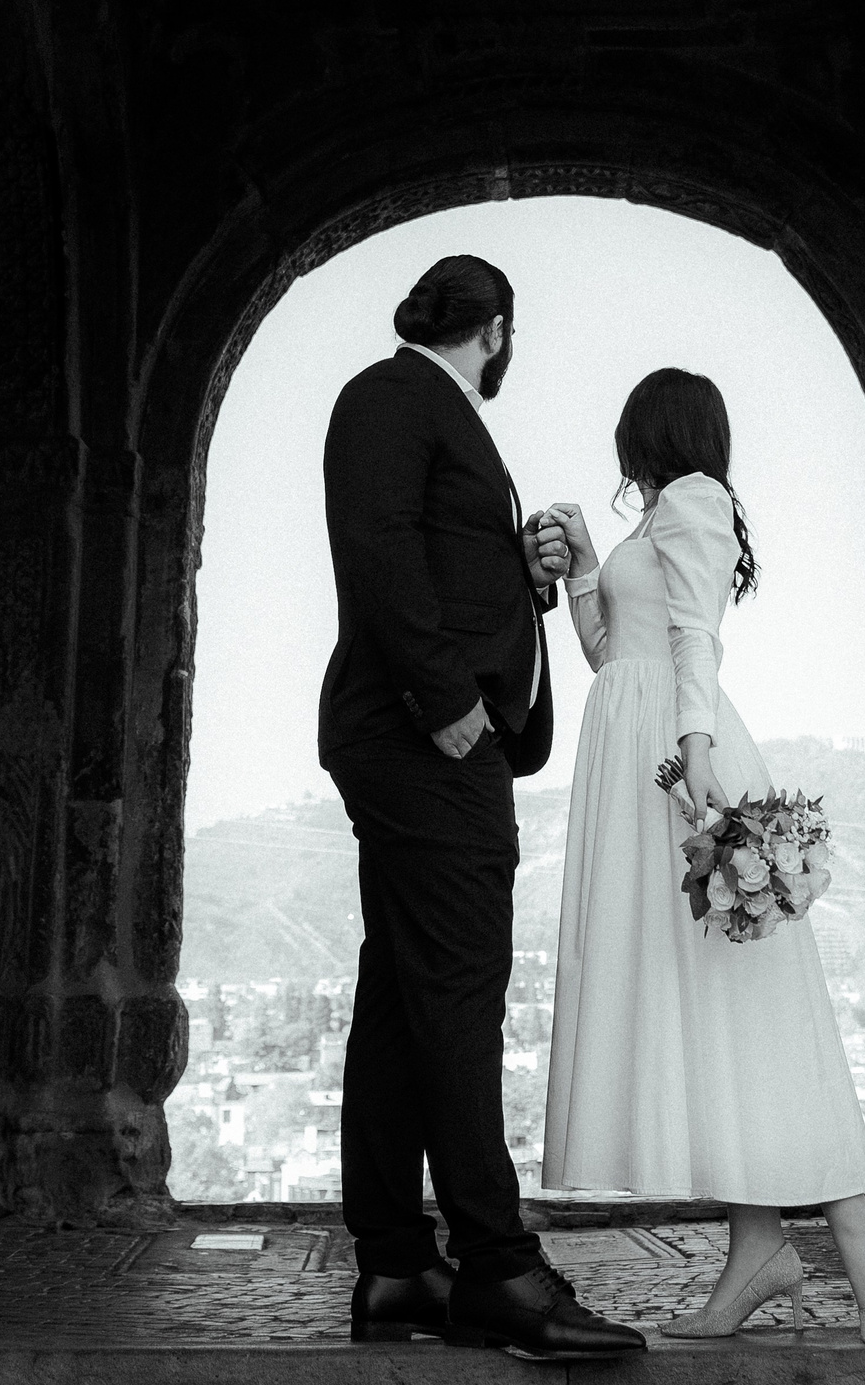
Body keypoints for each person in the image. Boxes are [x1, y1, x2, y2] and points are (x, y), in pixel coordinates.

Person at [541, 368, 865, 1341]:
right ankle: (758, 1247)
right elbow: (612, 653)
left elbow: (696, 641)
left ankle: (858, 1233)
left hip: (677, 758)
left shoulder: (696, 500)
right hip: (640, 753)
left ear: (653, 431)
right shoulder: (653, 520)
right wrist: (584, 568)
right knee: (708, 1011)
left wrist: (696, 756)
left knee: (745, 1012)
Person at [319, 253, 646, 1360]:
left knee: (403, 1000)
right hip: (424, 741)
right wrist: (449, 704)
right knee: (460, 997)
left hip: (424, 738)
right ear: (496, 328)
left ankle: (397, 1268)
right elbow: (378, 551)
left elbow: (434, 563)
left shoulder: (429, 409)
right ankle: (500, 1271)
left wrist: (523, 575)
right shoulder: (390, 395)